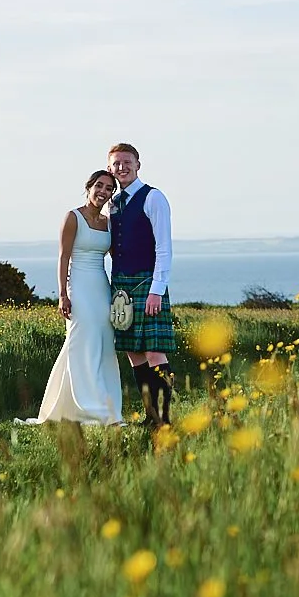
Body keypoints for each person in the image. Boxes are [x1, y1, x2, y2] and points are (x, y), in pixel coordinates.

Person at [24, 169, 124, 425]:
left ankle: (90, 405)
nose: (103, 192)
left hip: (101, 286)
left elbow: (117, 256)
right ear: (89, 187)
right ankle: (92, 408)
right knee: (81, 340)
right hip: (78, 286)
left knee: (102, 342)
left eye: (109, 188)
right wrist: (63, 294)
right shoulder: (72, 217)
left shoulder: (108, 222)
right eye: (99, 186)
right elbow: (63, 257)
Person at [106, 142, 175, 424]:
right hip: (121, 284)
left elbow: (164, 248)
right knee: (134, 352)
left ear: (138, 164)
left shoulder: (153, 197)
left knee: (154, 351)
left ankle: (164, 418)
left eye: (127, 162)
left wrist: (157, 290)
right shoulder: (112, 203)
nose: (122, 167)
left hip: (148, 283)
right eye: (116, 164)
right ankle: (150, 416)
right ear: (110, 169)